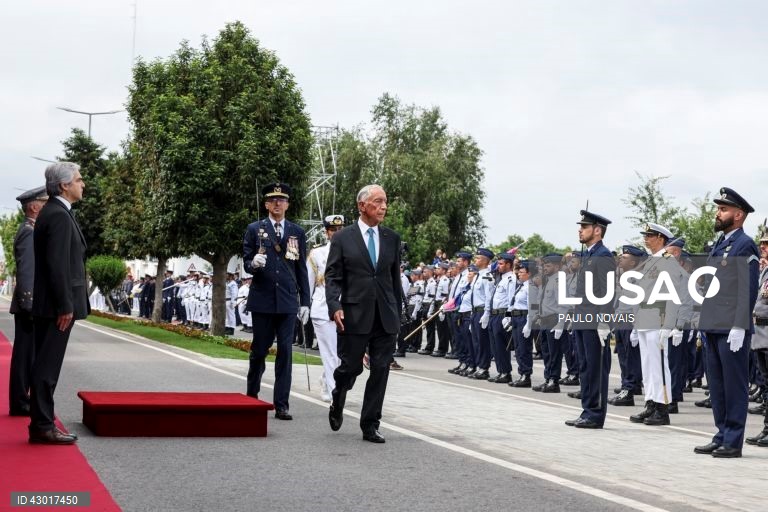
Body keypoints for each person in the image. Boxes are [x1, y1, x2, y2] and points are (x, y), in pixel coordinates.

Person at [325, 184, 402, 443]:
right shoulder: (342, 238)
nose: (383, 206)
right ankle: (339, 395)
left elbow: (393, 279)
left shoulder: (392, 238)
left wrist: (397, 312)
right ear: (362, 206)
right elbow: (333, 276)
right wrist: (335, 306)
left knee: (380, 369)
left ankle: (370, 424)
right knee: (350, 368)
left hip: (385, 315)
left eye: (385, 201)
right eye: (377, 201)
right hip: (354, 314)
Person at [694, 187, 759, 458]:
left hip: (731, 327)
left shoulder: (745, 245)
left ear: (738, 215)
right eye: (718, 209)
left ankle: (733, 440)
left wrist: (739, 325)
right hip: (712, 325)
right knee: (717, 385)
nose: (718, 214)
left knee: (734, 385)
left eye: (723, 209)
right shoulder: (720, 244)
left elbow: (748, 289)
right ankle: (721, 433)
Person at [29, 162, 88, 444]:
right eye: (78, 179)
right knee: (47, 368)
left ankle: (41, 424)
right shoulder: (58, 215)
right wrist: (65, 305)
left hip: (52, 304)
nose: (83, 184)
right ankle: (43, 426)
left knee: (45, 365)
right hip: (56, 307)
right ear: (64, 185)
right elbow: (58, 265)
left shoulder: (55, 212)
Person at [243, 182, 310, 420]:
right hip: (263, 300)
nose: (277, 204)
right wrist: (253, 263)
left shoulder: (296, 232)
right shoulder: (255, 229)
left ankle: (281, 404)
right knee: (259, 351)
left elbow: (300, 268)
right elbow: (246, 262)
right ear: (266, 204)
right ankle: (252, 396)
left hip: (287, 301)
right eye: (273, 200)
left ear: (288, 204)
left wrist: (305, 302)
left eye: (282, 200)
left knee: (285, 353)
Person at [565, 210, 614, 429]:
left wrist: (604, 321)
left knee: (596, 368)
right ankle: (587, 410)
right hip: (582, 319)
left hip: (594, 321)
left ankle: (595, 414)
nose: (580, 230)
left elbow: (608, 291)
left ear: (597, 231)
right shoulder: (588, 255)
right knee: (585, 366)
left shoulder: (603, 255)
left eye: (584, 227)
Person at [8, 186, 48, 417]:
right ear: (33, 207)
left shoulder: (31, 230)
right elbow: (27, 271)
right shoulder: (29, 232)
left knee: (27, 355)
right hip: (28, 306)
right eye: (44, 203)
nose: (47, 207)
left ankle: (22, 400)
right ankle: (20, 401)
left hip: (29, 305)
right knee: (24, 357)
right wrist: (30, 304)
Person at [307, 214, 345, 402]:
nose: (336, 233)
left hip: (345, 308)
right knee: (330, 353)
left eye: (339, 230)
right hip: (323, 308)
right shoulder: (317, 254)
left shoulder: (352, 251)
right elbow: (308, 282)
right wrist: (303, 305)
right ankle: (334, 393)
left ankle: (325, 379)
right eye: (332, 230)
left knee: (341, 354)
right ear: (326, 233)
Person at [746, 233, 768, 447]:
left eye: (767, 244)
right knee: (766, 384)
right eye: (762, 243)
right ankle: (767, 428)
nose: (763, 247)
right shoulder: (764, 271)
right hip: (760, 335)